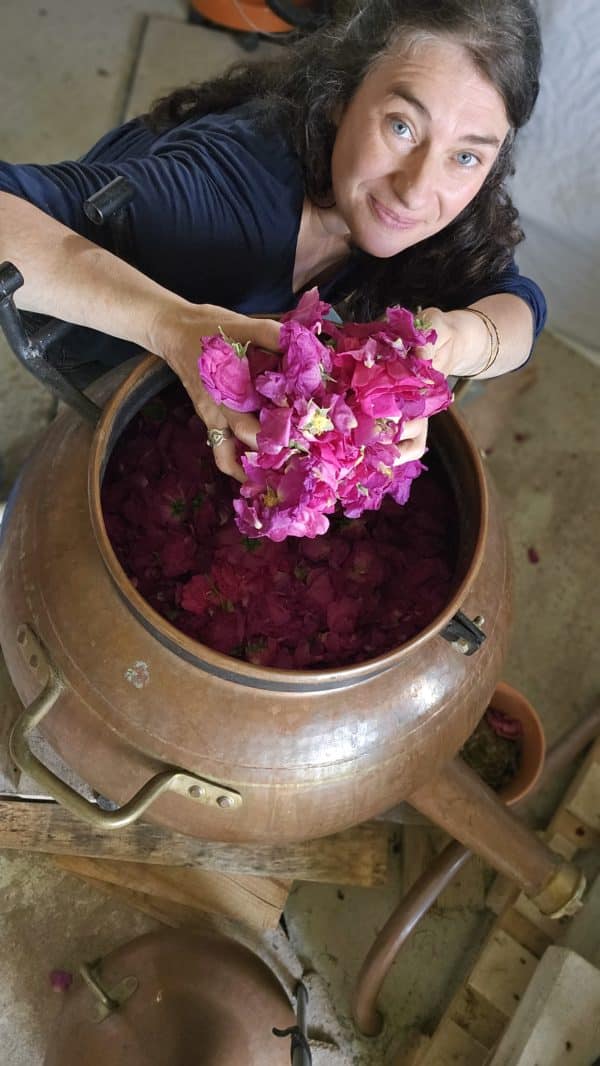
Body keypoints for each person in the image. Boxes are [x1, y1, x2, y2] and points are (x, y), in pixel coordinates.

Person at [0, 0, 545, 481]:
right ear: (340, 96)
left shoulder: (444, 215)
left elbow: (520, 306)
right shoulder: (219, 200)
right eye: (401, 127)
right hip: (93, 317)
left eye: (466, 156)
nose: (416, 191)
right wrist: (172, 326)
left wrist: (455, 340)